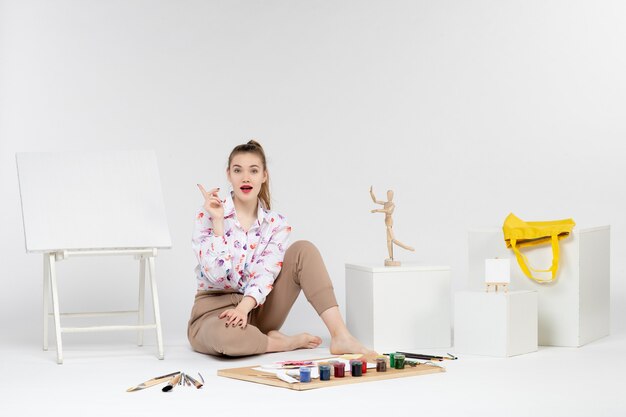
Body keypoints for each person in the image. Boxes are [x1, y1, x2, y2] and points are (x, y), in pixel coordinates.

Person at [188, 140, 371, 357]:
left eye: (253, 171)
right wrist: (218, 223)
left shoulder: (276, 224)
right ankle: (280, 344)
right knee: (227, 338)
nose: (246, 178)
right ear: (229, 174)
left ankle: (341, 336)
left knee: (304, 250)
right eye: (238, 170)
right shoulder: (208, 214)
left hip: (257, 309)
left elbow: (266, 273)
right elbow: (216, 276)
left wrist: (244, 308)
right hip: (213, 314)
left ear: (264, 175)